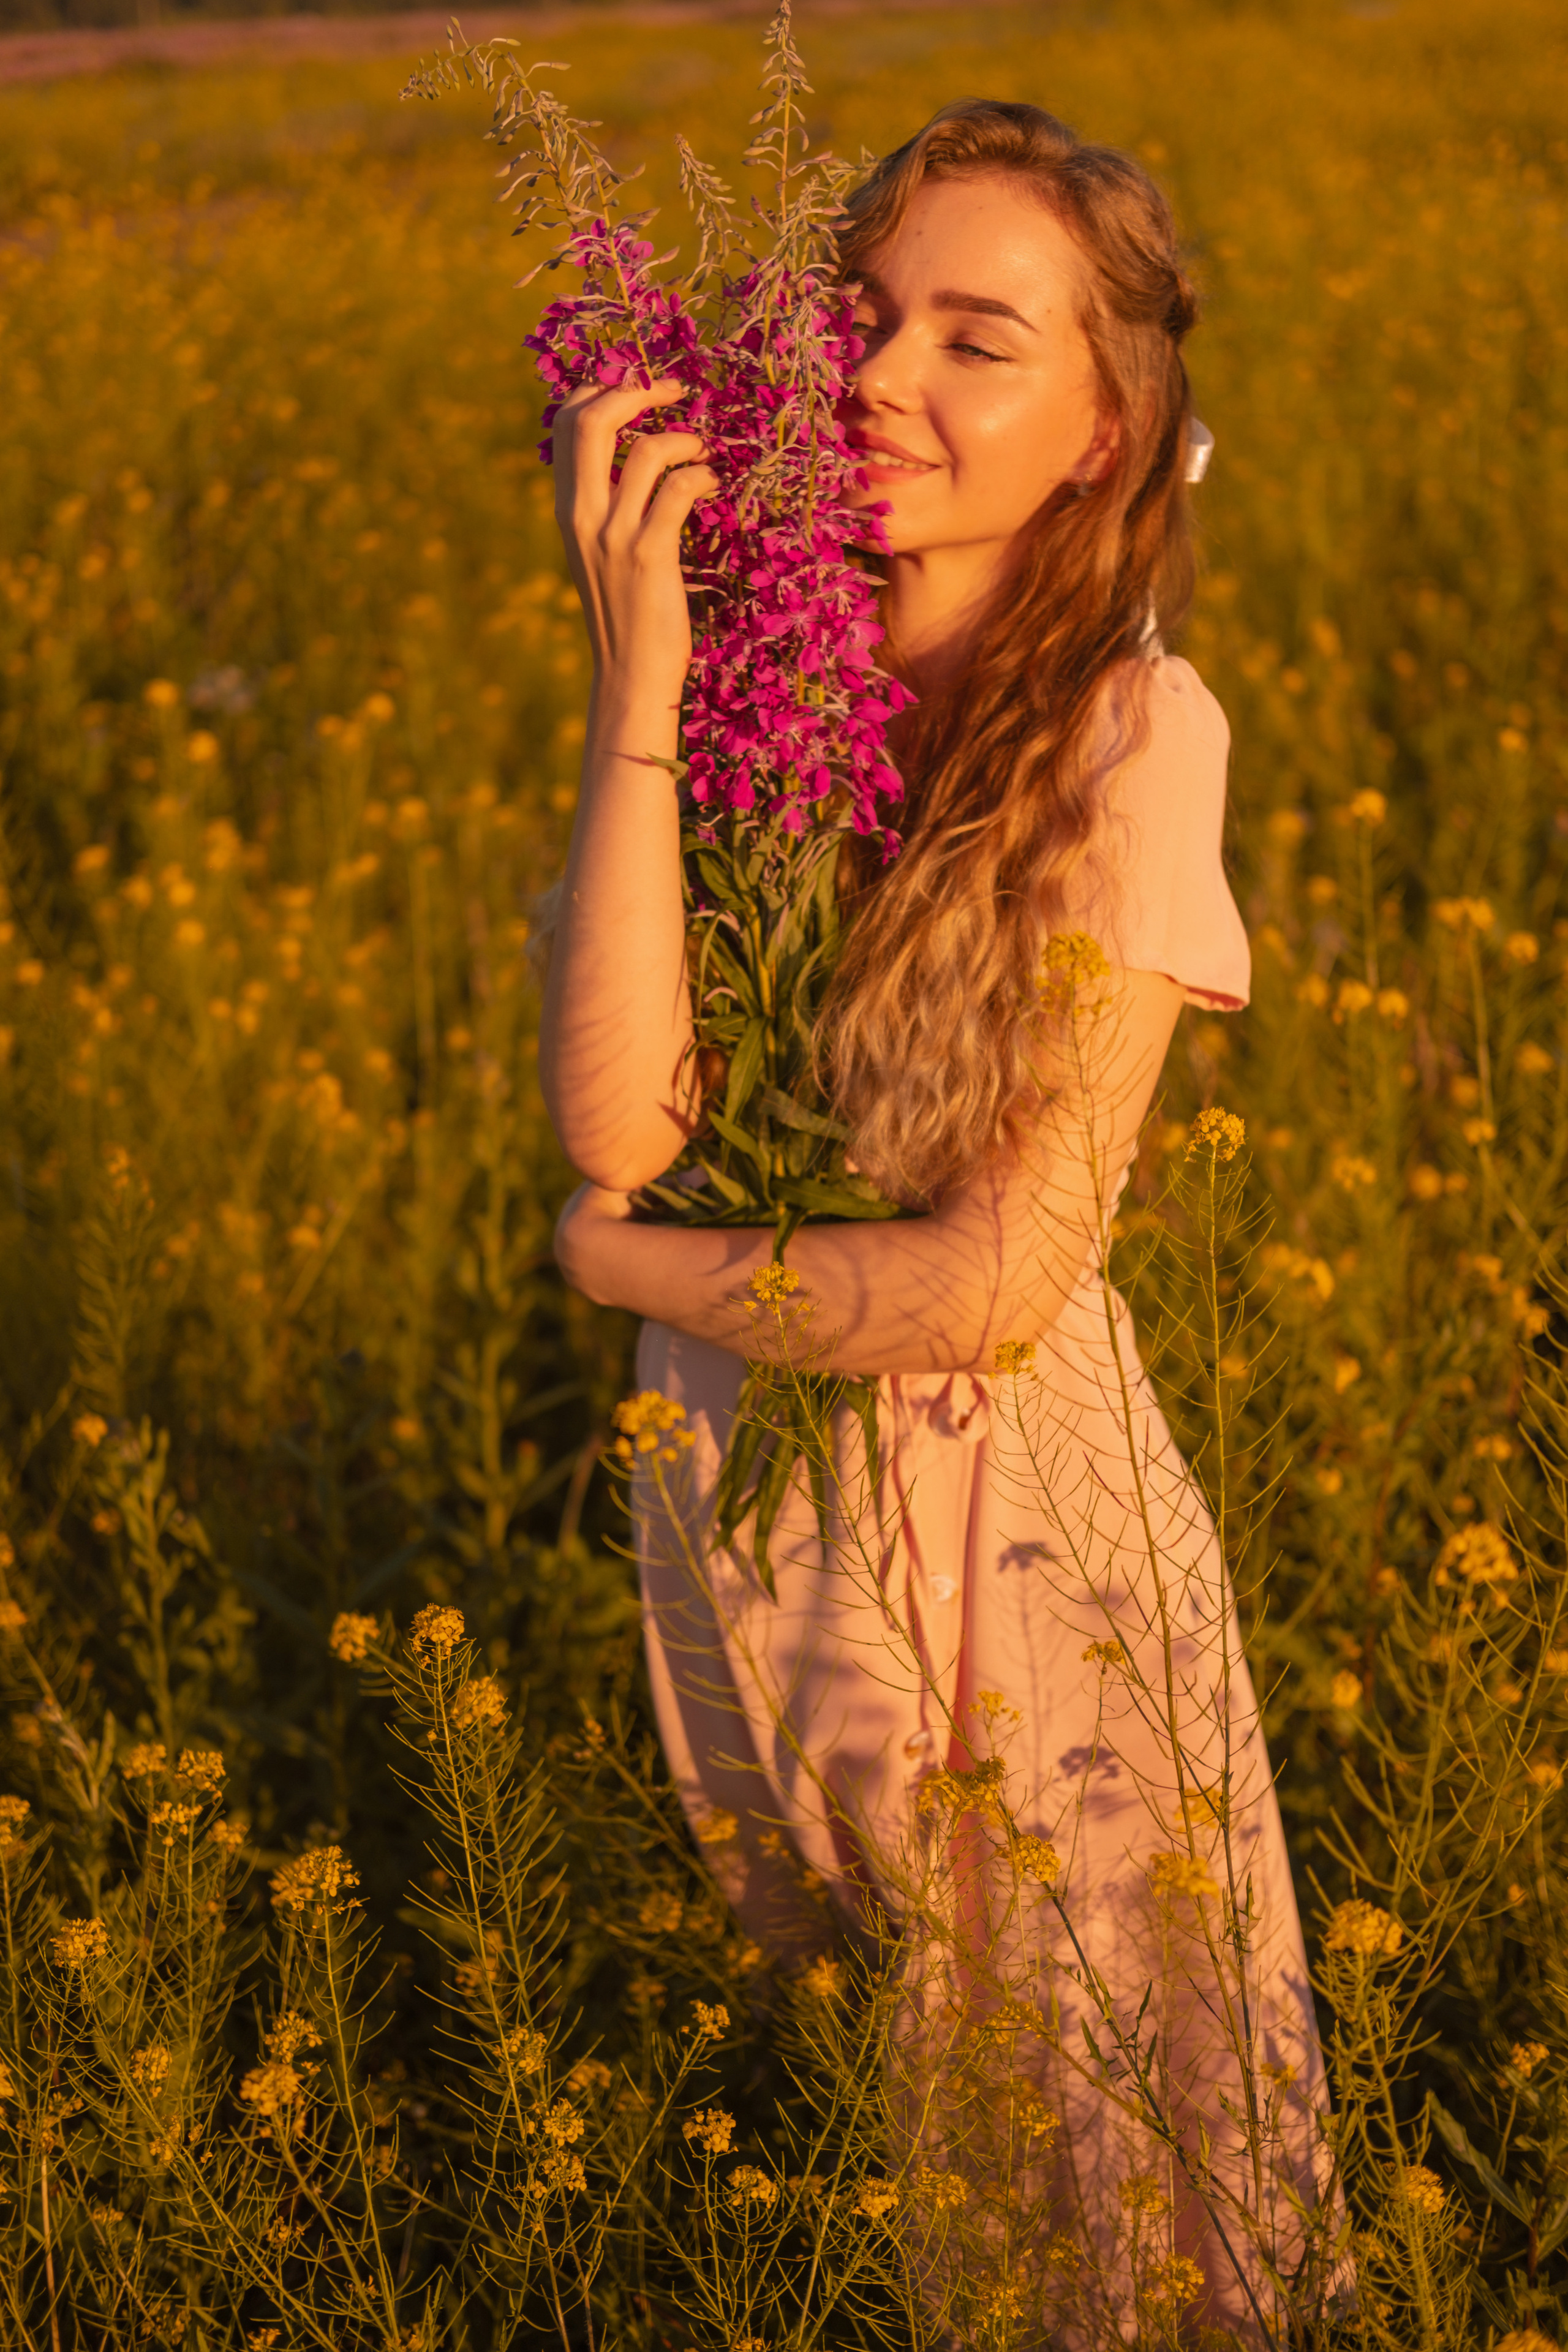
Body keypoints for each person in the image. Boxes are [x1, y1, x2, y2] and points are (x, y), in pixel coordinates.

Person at [541, 97, 1330, 2346]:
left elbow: (993, 1276)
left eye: (978, 341)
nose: (881, 379)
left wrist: (617, 1274)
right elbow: (627, 1112)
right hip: (747, 1499)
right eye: (862, 320)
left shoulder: (1126, 737)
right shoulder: (765, 684)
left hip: (1001, 1545)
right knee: (873, 2157)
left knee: (1075, 2205)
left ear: (1103, 434)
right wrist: (643, 688)